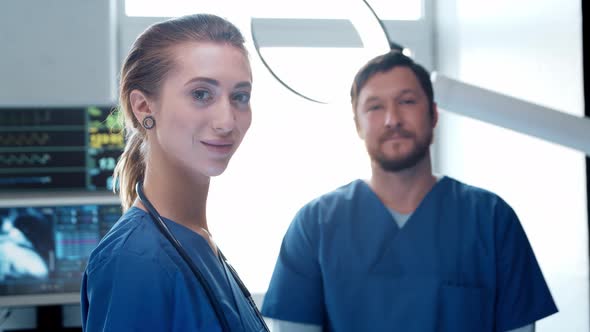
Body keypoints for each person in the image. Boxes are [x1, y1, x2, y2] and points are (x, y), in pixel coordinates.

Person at [261, 51, 558, 332]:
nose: (392, 119)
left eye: (407, 101)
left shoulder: (491, 219)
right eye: (375, 107)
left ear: (433, 114)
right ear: (357, 125)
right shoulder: (315, 225)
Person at [81, 14, 268, 332]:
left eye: (240, 96)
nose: (226, 121)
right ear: (143, 107)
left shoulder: (197, 240)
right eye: (201, 94)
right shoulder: (134, 261)